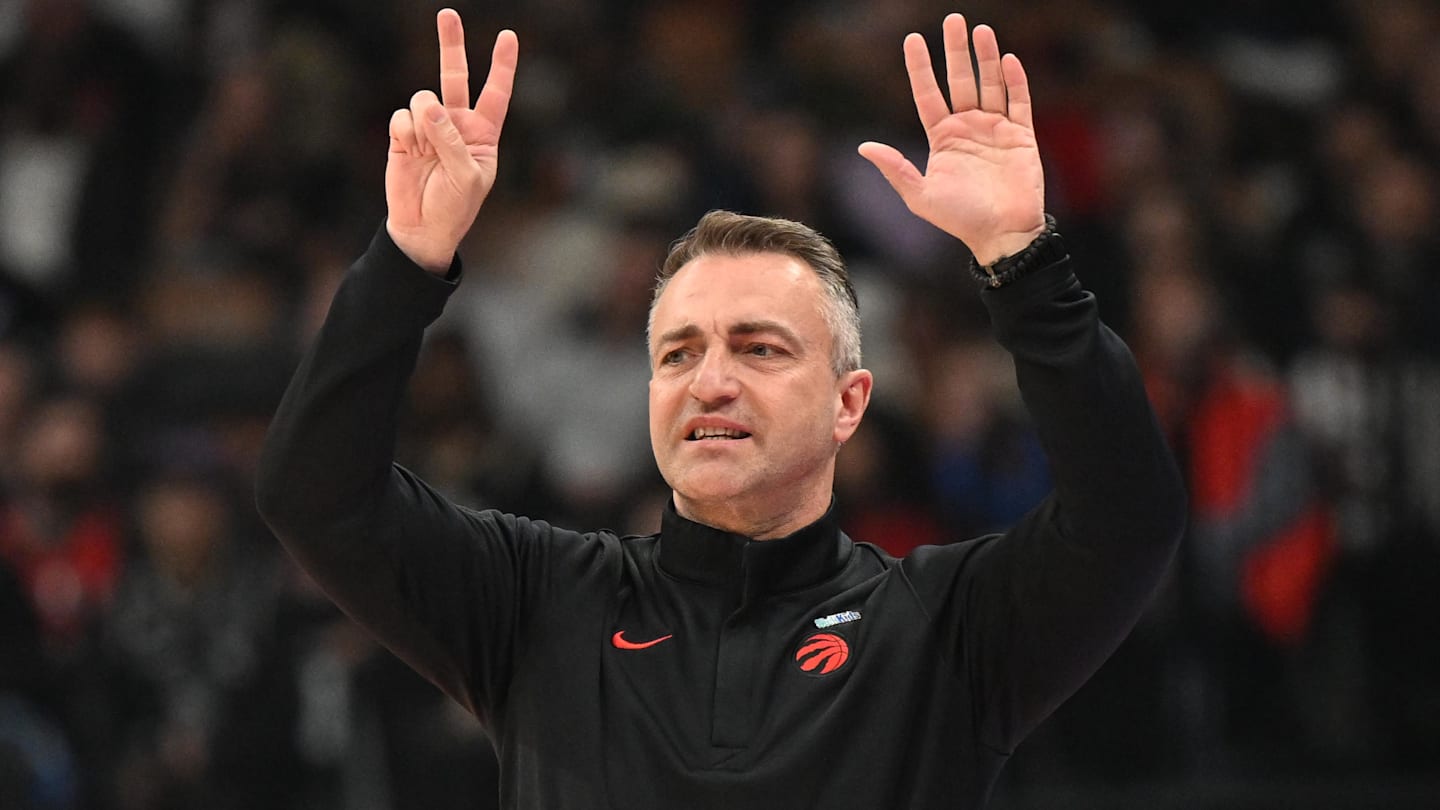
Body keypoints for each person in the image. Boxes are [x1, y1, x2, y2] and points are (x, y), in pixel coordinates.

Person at [255, 8, 1185, 809]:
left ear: (848, 404)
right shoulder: (539, 602)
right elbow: (315, 496)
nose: (711, 380)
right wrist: (404, 263)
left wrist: (1023, 263)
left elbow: (1129, 520)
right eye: (679, 353)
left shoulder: (943, 629)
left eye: (760, 347)